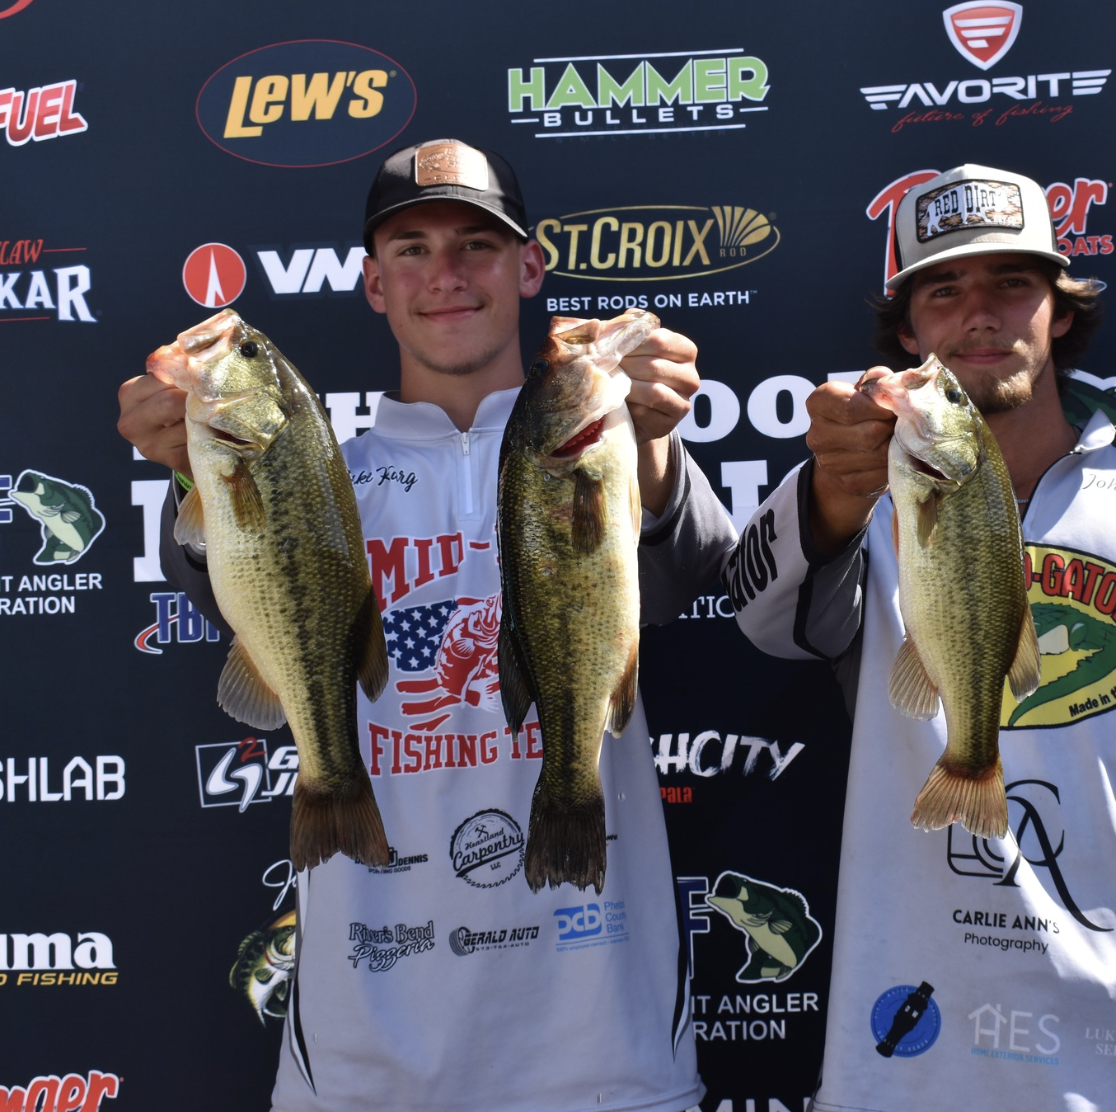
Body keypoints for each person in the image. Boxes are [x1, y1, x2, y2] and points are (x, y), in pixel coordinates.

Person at [725, 165, 1116, 1111]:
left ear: (1060, 311)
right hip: (908, 1065)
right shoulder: (858, 506)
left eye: (1011, 285)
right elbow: (762, 618)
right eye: (943, 290)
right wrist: (827, 493)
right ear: (909, 333)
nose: (979, 315)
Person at [118, 138, 732, 1112]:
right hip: (364, 1064)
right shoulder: (317, 474)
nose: (445, 274)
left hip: (601, 1047)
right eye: (411, 247)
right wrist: (194, 468)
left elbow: (678, 573)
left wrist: (651, 441)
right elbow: (236, 597)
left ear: (530, 266)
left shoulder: (602, 444)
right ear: (370, 282)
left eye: (476, 244)